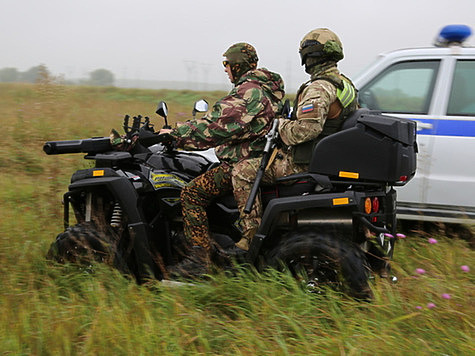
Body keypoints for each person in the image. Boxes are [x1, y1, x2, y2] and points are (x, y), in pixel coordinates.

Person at [159, 42, 285, 276]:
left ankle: (199, 259)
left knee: (191, 193)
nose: (225, 69)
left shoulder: (248, 90)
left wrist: (176, 134)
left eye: (227, 64)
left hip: (245, 160)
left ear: (238, 66)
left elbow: (216, 126)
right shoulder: (269, 88)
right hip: (264, 157)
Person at [232, 28, 359, 250]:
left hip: (304, 161)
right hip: (328, 157)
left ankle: (250, 235)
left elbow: (305, 131)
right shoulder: (345, 84)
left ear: (309, 56)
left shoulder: (319, 88)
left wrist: (279, 125)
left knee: (241, 172)